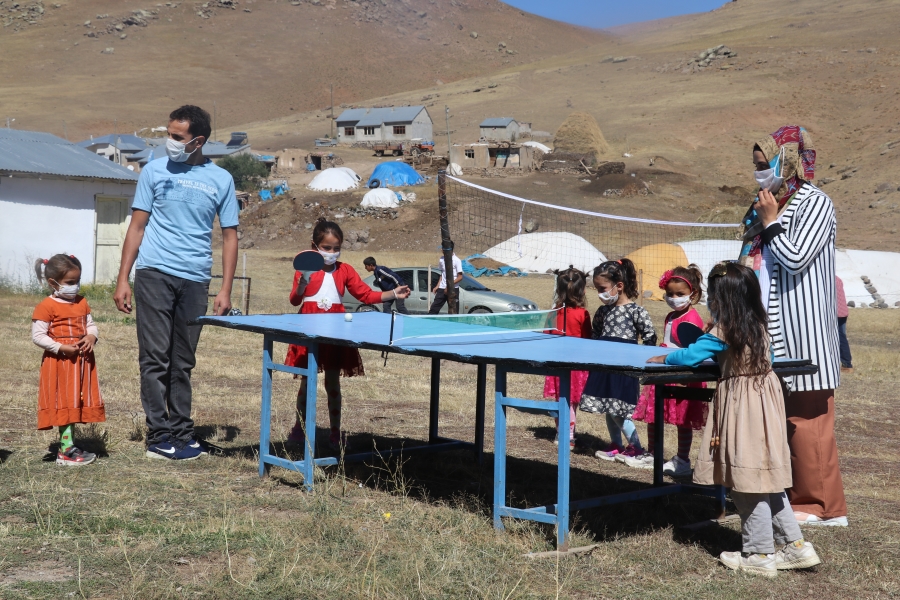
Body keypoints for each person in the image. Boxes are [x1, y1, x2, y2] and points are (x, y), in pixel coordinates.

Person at [648, 262, 822, 577]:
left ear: (721, 298)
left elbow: (689, 356)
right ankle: (794, 547)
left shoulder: (725, 328)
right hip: (766, 401)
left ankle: (758, 554)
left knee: (747, 480)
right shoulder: (757, 322)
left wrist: (666, 357)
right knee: (765, 475)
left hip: (744, 403)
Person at [113, 105, 239, 461]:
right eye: (168, 134)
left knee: (183, 361)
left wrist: (225, 289)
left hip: (196, 280)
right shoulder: (153, 171)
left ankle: (184, 434)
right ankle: (158, 436)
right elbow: (136, 227)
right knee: (155, 358)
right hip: (154, 274)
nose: (168, 142)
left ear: (197, 140)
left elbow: (230, 236)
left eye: (176, 137)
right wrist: (123, 278)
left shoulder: (221, 180)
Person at [739, 125, 847, 526]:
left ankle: (822, 506)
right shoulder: (767, 201)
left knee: (808, 422)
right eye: (755, 165)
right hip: (765, 329)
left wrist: (770, 222)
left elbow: (796, 257)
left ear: (787, 160)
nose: (759, 172)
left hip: (804, 330)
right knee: (777, 418)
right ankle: (787, 496)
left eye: (765, 164)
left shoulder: (815, 203)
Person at [286, 218, 410, 451]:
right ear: (315, 246)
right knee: (306, 382)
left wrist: (394, 292)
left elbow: (366, 295)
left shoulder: (345, 270)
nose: (332, 252)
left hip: (335, 333)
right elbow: (295, 300)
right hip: (308, 330)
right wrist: (303, 282)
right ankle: (299, 429)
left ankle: (335, 432)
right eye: (327, 248)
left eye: (336, 248)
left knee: (333, 382)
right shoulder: (305, 270)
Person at [630, 265, 708, 474]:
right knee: (654, 416)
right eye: (670, 293)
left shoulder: (692, 319)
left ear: (694, 294)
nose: (674, 298)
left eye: (680, 294)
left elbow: (692, 350)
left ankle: (682, 460)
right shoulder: (670, 316)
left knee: (683, 420)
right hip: (664, 374)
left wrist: (684, 374)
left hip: (682, 376)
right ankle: (653, 453)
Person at [579, 259, 657, 463]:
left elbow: (650, 337)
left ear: (619, 286)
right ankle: (616, 445)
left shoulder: (636, 311)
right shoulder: (603, 311)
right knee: (608, 407)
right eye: (596, 289)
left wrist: (643, 363)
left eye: (602, 288)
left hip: (624, 369)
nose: (599, 294)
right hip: (604, 367)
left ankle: (636, 448)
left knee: (619, 410)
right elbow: (595, 335)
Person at [32, 254, 105, 466]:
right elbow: (38, 336)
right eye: (70, 283)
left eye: (77, 281)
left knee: (74, 402)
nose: (75, 287)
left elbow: (90, 324)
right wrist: (61, 347)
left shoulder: (82, 302)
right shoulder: (46, 306)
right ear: (53, 283)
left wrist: (92, 336)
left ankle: (70, 445)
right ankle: (65, 451)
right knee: (63, 403)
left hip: (81, 364)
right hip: (60, 364)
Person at [542, 267, 592, 449]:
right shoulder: (583, 314)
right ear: (583, 290)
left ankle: (561, 432)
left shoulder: (553, 312)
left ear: (559, 290)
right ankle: (568, 436)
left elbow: (546, 335)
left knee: (561, 400)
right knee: (572, 403)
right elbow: (588, 339)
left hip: (557, 364)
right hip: (576, 365)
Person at [429, 241, 463, 314]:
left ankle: (453, 325)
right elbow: (442, 273)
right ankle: (429, 324)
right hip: (442, 288)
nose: (441, 249)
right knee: (433, 309)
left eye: (443, 248)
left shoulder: (457, 260)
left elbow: (460, 277)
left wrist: (449, 286)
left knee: (454, 311)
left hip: (453, 289)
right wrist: (437, 286)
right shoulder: (441, 259)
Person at [835, 276, 852, 372]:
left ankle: (847, 364)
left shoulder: (827, 279)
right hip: (843, 312)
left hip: (835, 313)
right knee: (842, 336)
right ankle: (846, 363)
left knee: (840, 338)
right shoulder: (838, 279)